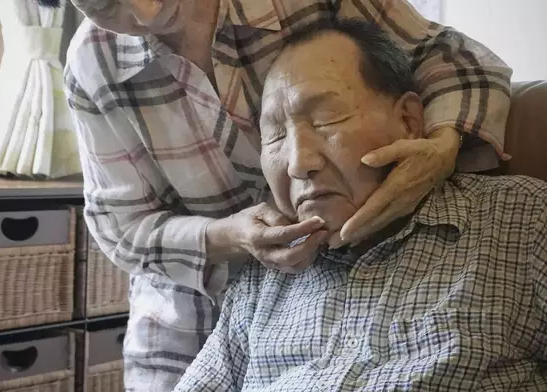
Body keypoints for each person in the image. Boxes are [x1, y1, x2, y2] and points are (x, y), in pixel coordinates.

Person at [38, 0, 512, 390]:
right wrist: (232, 236)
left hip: (359, 277)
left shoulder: (518, 225)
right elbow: (121, 226)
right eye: (105, 6)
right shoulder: (92, 64)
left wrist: (443, 144)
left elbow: (450, 56)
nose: (145, 15)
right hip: (195, 312)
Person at [172, 19, 547, 391]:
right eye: (277, 136)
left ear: (408, 121)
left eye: (325, 119)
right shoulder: (262, 278)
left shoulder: (523, 221)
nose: (299, 162)